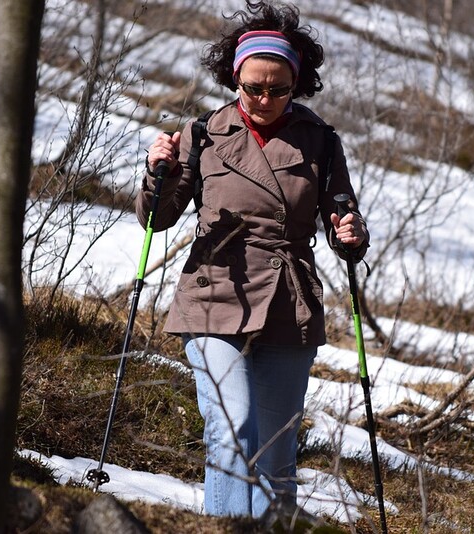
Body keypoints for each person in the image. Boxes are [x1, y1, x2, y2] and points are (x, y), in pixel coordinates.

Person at [135, 0, 369, 519]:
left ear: (297, 82)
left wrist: (351, 235)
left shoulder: (322, 144)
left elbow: (343, 220)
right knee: (233, 426)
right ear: (234, 80)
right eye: (253, 88)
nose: (264, 98)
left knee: (277, 455)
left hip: (289, 303)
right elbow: (159, 218)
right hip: (215, 292)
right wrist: (159, 173)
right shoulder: (201, 136)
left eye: (278, 88)